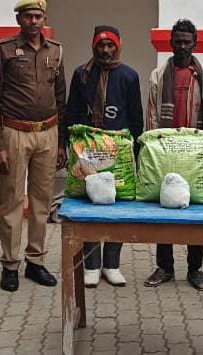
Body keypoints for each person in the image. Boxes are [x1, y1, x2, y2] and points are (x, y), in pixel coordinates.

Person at [0, 0, 67, 292]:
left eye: (38, 16)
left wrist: (62, 142)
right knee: (12, 201)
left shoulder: (56, 51)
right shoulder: (3, 49)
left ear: (44, 19)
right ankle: (10, 264)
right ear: (18, 19)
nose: (33, 21)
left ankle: (36, 261)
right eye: (28, 16)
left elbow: (61, 97)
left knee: (42, 200)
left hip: (48, 132)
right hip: (14, 132)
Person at [65, 25, 144, 288]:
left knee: (116, 206)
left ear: (118, 46)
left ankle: (112, 265)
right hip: (87, 150)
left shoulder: (129, 76)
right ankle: (91, 265)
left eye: (110, 45)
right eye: (101, 45)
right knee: (90, 205)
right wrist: (71, 146)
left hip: (118, 153)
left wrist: (134, 152)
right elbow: (72, 111)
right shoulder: (82, 75)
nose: (106, 50)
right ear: (94, 47)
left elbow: (135, 116)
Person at [144, 19, 203, 291]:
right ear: (171, 43)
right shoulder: (159, 75)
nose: (183, 46)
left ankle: (195, 269)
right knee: (164, 209)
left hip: (196, 155)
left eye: (187, 42)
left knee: (195, 212)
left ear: (195, 44)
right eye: (178, 42)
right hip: (165, 153)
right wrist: (153, 150)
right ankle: (164, 266)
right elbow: (152, 115)